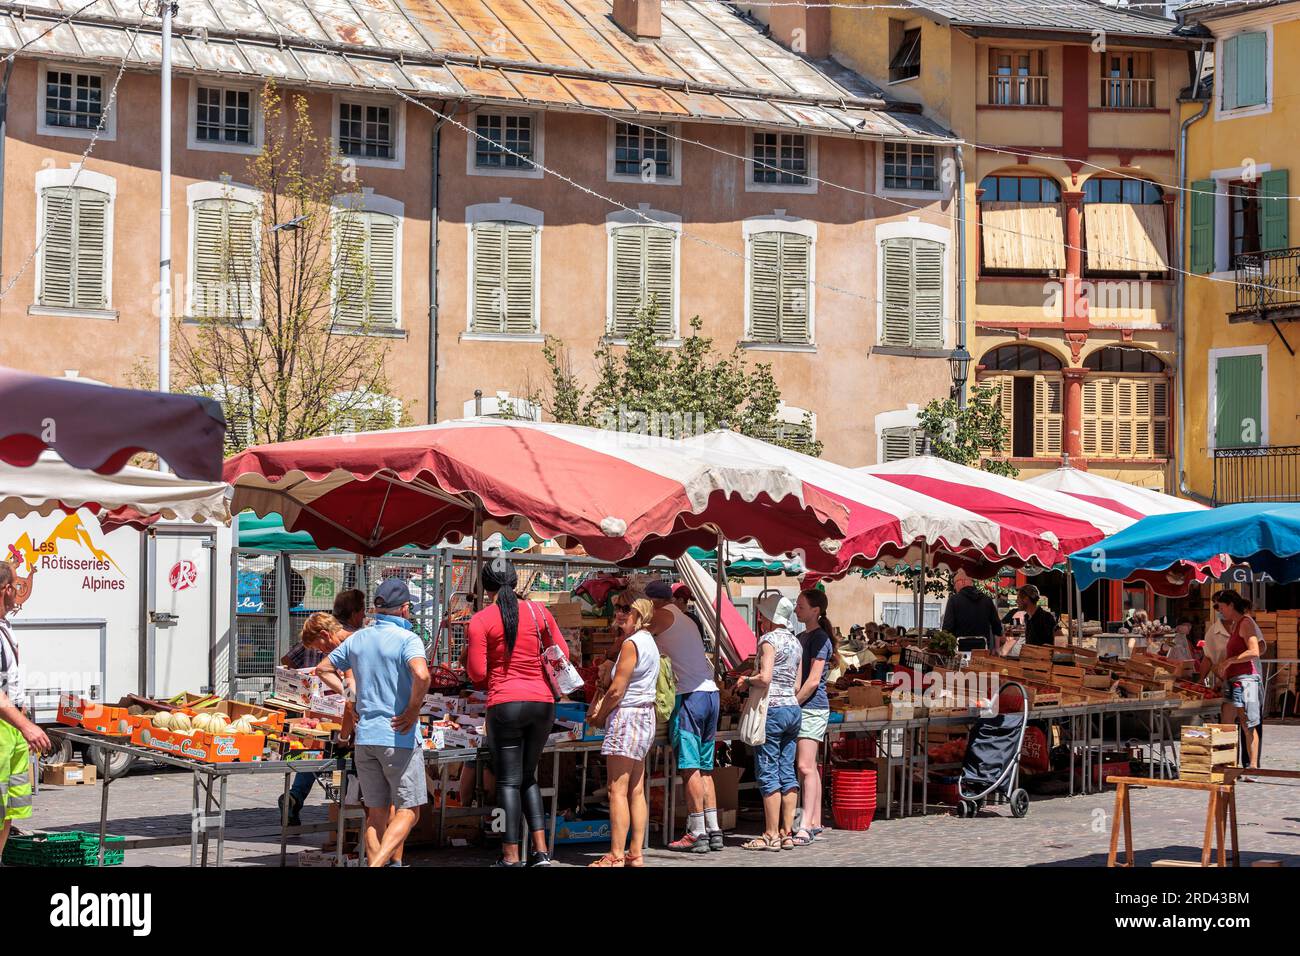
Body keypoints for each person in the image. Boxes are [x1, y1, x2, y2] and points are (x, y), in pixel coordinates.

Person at [317, 578, 430, 868]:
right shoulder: (409, 639)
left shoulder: (358, 637)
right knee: (409, 811)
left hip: (365, 737)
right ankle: (376, 864)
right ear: (405, 609)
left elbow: (324, 668)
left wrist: (351, 699)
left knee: (376, 813)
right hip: (398, 736)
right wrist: (413, 710)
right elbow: (422, 675)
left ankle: (376, 862)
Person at [466, 555, 569, 867]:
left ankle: (510, 856)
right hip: (543, 704)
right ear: (515, 582)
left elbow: (476, 672)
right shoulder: (540, 612)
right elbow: (561, 654)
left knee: (508, 781)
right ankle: (541, 853)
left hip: (505, 704)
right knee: (527, 776)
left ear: (487, 589)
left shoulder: (481, 619)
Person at [646, 579, 723, 853]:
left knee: (689, 766)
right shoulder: (686, 619)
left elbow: (635, 635)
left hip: (690, 697)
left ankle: (697, 832)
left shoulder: (661, 616)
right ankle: (713, 829)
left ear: (653, 602)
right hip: (710, 694)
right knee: (704, 768)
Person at [587, 597, 663, 867]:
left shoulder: (632, 644)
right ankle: (635, 853)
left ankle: (617, 854)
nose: (619, 614)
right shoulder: (648, 641)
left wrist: (599, 716)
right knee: (636, 789)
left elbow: (617, 690)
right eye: (617, 609)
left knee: (616, 790)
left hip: (628, 716)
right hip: (644, 715)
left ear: (639, 614)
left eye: (625, 610)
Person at [739, 593, 803, 851]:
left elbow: (765, 678)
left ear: (769, 617)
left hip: (772, 710)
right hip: (792, 708)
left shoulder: (768, 640)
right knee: (787, 771)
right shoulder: (796, 643)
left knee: (768, 772)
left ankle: (770, 834)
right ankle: (787, 833)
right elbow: (797, 684)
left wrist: (746, 680)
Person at [281, 612, 353, 827]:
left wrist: (344, 732)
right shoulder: (350, 644)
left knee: (328, 756)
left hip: (355, 717)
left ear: (324, 633)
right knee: (329, 756)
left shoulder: (349, 646)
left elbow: (351, 693)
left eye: (320, 647)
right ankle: (341, 816)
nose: (322, 653)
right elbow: (350, 692)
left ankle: (340, 815)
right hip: (344, 712)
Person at [0, 561, 51, 861]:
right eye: (17, 585)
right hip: (5, 728)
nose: (20, 591)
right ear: (5, 589)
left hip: (12, 728)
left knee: (9, 810)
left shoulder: (5, 625)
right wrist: (26, 726)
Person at [791, 588, 832, 846]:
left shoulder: (820, 639)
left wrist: (793, 703)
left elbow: (813, 681)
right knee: (809, 766)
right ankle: (814, 820)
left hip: (813, 707)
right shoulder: (801, 637)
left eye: (801, 606)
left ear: (815, 611)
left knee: (805, 766)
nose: (797, 610)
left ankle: (806, 824)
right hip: (802, 705)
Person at [1212, 590, 1263, 768]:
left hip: (1246, 680)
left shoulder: (1246, 622)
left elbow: (1255, 651)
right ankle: (1226, 765)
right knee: (1226, 722)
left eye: (1222, 607)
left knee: (1247, 722)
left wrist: (1229, 661)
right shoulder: (1235, 625)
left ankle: (1254, 767)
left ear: (1231, 605)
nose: (1220, 611)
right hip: (1233, 680)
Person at [942, 569, 1003, 653]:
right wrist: (997, 649)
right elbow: (997, 627)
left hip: (959, 651)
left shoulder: (953, 600)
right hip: (982, 650)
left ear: (962, 582)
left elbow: (947, 628)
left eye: (955, 584)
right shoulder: (987, 600)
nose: (955, 588)